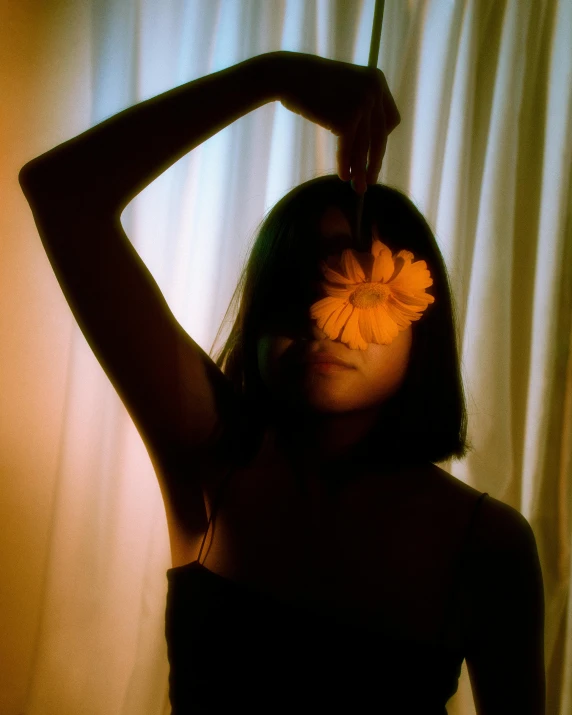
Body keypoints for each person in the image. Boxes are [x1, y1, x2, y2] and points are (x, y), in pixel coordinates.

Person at [19, 51, 545, 714]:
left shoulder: (488, 545)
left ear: (422, 319)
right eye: (291, 290)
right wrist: (271, 77)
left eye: (358, 287)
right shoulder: (213, 459)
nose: (320, 321)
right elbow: (64, 193)